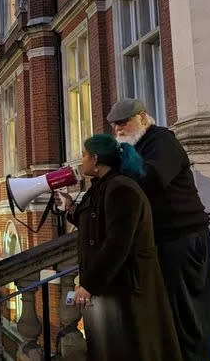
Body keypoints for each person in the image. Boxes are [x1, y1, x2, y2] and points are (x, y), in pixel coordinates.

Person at [56, 134, 181, 360]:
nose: (80, 160)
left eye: (84, 155)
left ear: (95, 159)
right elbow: (94, 222)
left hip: (126, 289)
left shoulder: (121, 189)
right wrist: (70, 208)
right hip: (114, 287)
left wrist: (90, 283)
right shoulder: (104, 187)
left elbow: (117, 243)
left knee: (128, 349)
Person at [107, 98, 210, 360]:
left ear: (143, 118)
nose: (118, 130)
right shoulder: (136, 147)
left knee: (187, 319)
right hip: (163, 241)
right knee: (168, 319)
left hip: (183, 240)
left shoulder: (162, 141)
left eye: (124, 123)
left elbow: (151, 179)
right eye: (114, 125)